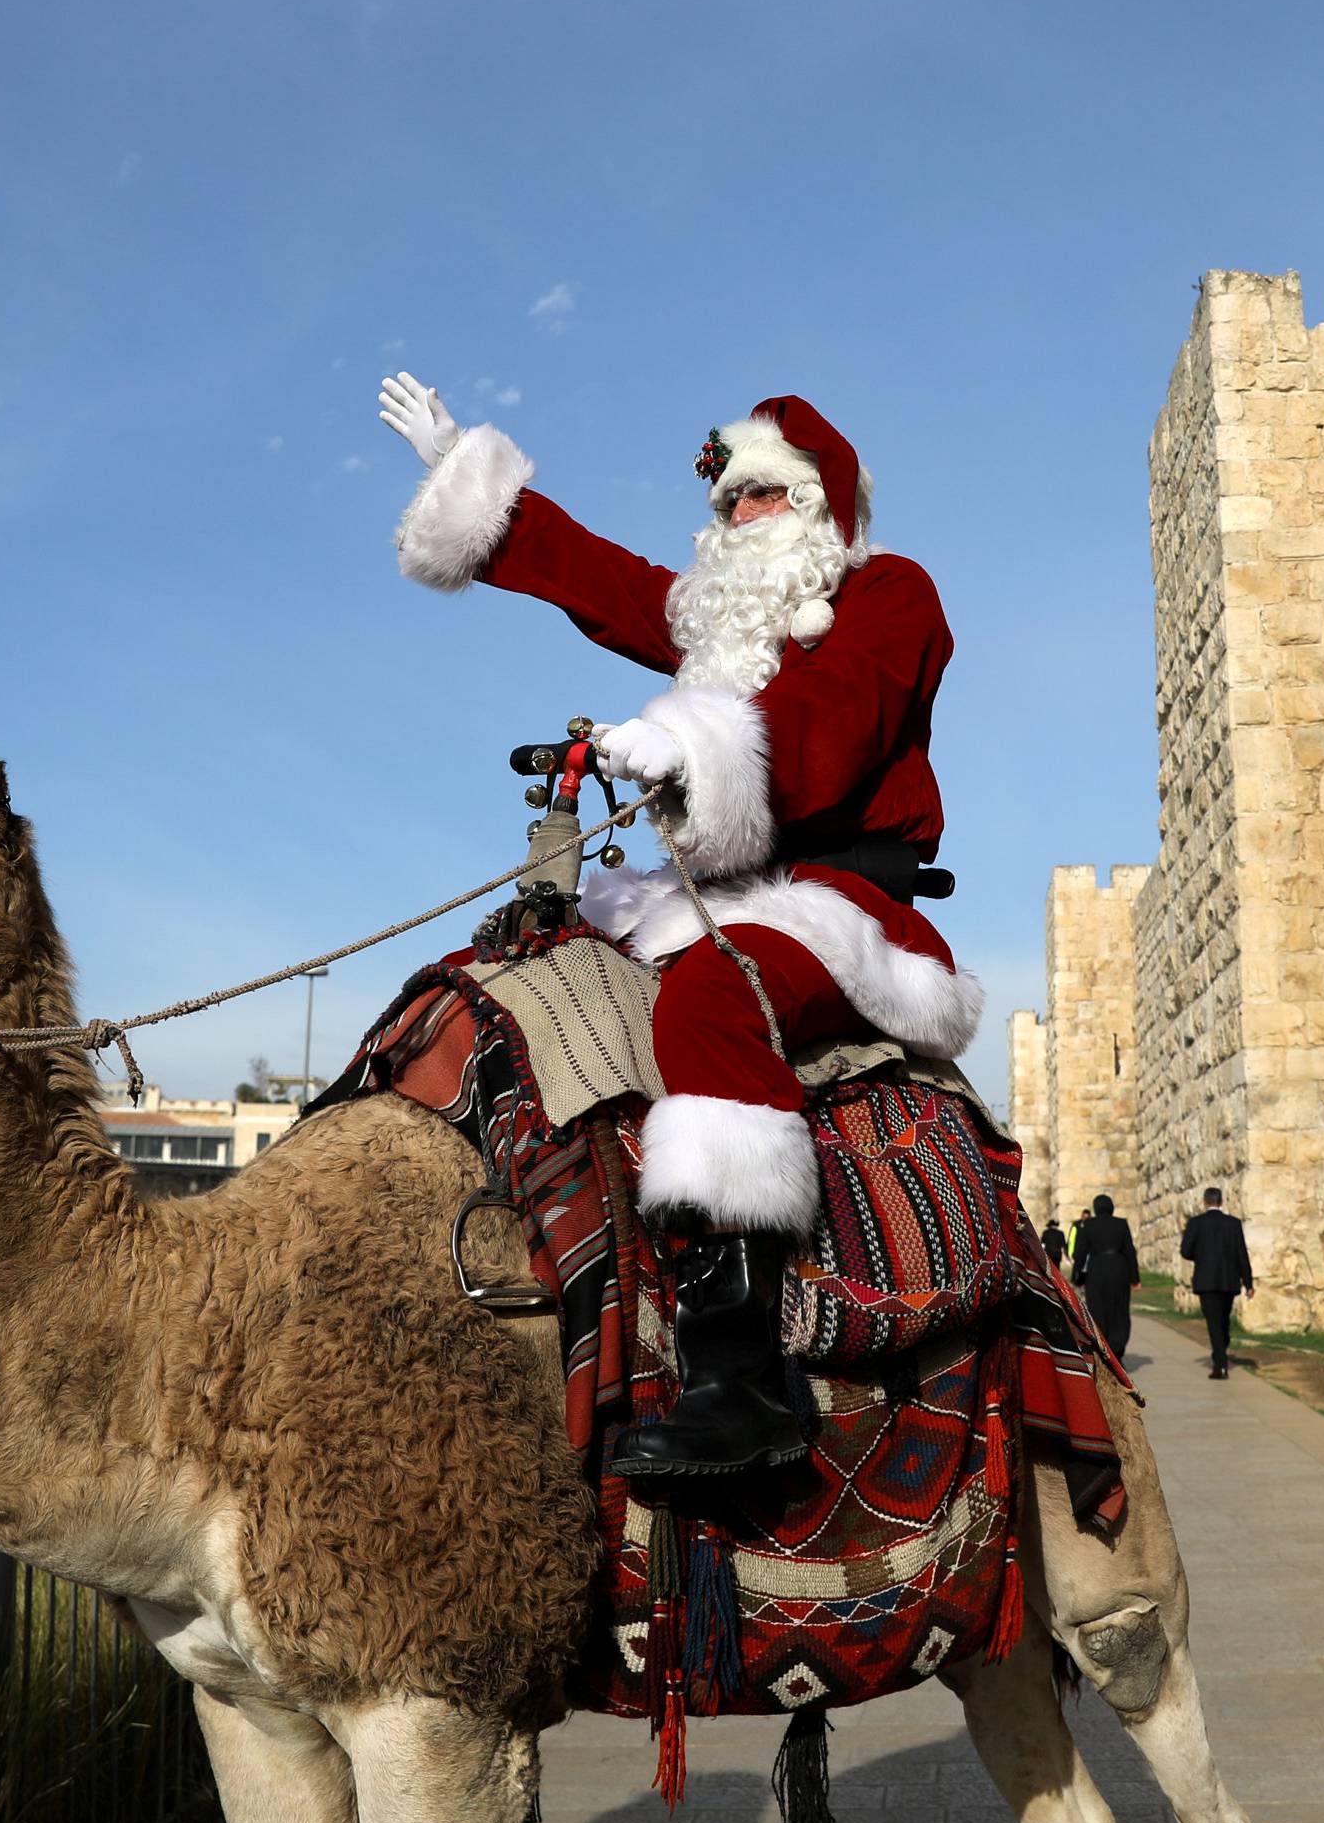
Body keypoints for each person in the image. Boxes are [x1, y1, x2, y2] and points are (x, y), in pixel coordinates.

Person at [378, 377, 980, 1479]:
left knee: (712, 1002)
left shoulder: (892, 594)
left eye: (760, 498)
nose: (736, 520)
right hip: (704, 895)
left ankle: (745, 1378)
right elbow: (601, 582)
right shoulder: (727, 634)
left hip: (841, 905)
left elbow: (834, 721)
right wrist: (475, 486)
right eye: (725, 504)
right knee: (517, 971)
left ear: (818, 509)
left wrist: (695, 747)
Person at [1180, 1186, 1254, 1379]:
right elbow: (1241, 1254)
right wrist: (1248, 1283)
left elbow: (1186, 1251)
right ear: (1221, 1202)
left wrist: (1202, 1255)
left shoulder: (1196, 1223)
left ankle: (1220, 1365)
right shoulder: (1233, 1224)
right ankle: (1222, 1350)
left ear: (1205, 1202)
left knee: (1214, 1322)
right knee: (1223, 1319)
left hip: (1206, 1280)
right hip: (1229, 1280)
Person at [1070, 1194, 1139, 1359]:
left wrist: (1076, 1275)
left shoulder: (1089, 1225)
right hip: (1119, 1270)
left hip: (1097, 1271)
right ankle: (1118, 1349)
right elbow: (1130, 1251)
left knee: (1098, 1309)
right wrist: (1135, 1278)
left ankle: (1103, 1350)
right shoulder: (1121, 1224)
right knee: (1119, 1309)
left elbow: (1080, 1253)